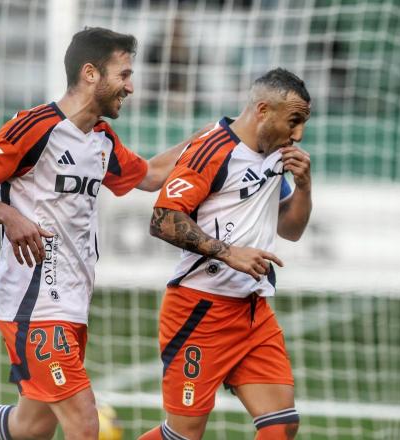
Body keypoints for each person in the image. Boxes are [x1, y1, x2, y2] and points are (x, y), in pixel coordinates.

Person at [0, 27, 202, 439]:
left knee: (29, 427)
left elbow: (152, 175)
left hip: (71, 305)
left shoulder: (101, 141)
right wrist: (8, 216)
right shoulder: (33, 128)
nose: (131, 86)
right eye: (123, 75)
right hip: (33, 307)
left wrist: (208, 139)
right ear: (90, 73)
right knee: (87, 424)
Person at [140, 68, 312, 440]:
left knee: (281, 424)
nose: (298, 134)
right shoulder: (213, 150)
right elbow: (163, 218)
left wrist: (303, 187)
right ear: (263, 110)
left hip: (252, 311)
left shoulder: (274, 155)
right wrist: (229, 253)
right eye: (294, 121)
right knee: (183, 435)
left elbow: (291, 230)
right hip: (199, 310)